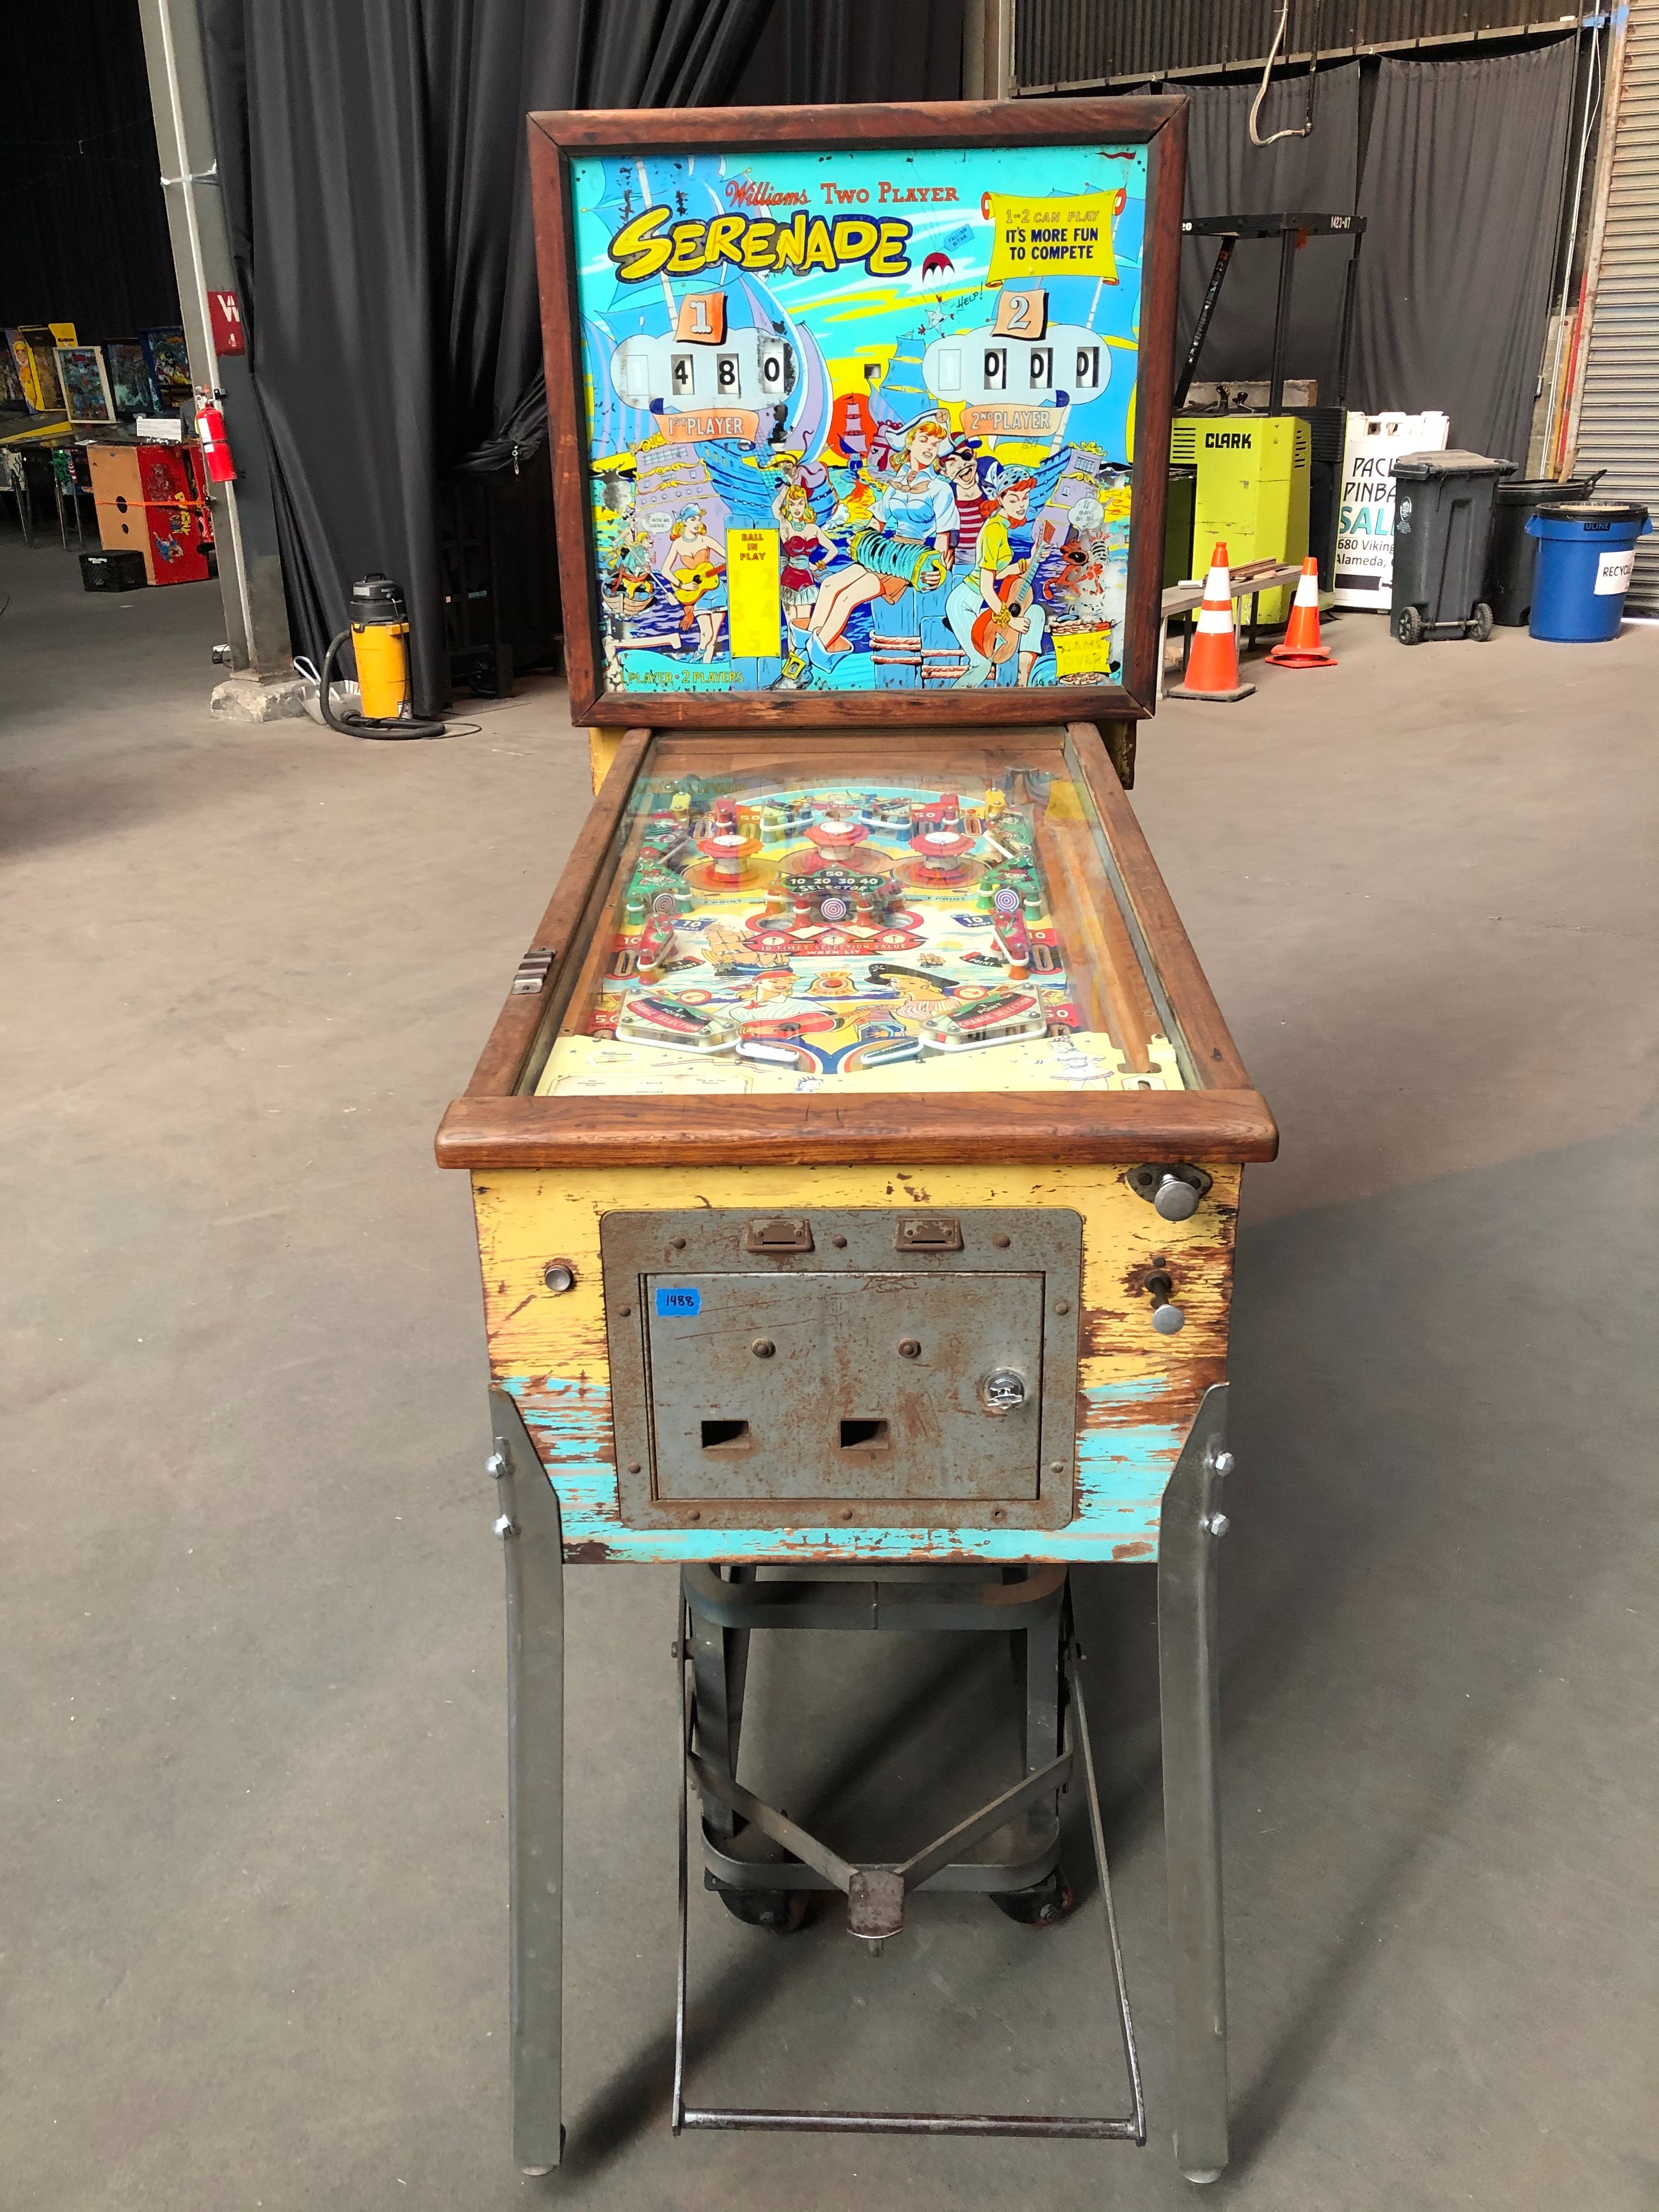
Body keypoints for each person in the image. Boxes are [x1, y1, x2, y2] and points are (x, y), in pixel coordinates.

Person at [783, 413, 957, 684]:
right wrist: (863, 546)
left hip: (910, 561)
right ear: (910, 442)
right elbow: (877, 522)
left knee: (846, 598)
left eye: (935, 444)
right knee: (829, 585)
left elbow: (944, 537)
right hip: (883, 552)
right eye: (924, 440)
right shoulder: (896, 484)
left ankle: (801, 668)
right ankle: (804, 660)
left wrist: (936, 570)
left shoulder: (940, 488)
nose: (929, 448)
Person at [945, 460, 1049, 688]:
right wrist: (1011, 620)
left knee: (1036, 613)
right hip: (966, 602)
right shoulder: (994, 530)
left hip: (985, 603)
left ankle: (1022, 684)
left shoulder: (1003, 526)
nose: (1021, 505)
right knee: (981, 664)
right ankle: (951, 704)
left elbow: (999, 573)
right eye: (1013, 500)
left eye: (1025, 498)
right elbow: (986, 587)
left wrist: (1029, 561)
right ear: (1000, 499)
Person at [772, 479, 837, 659]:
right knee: (791, 624)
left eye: (800, 503)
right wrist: (787, 484)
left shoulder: (813, 529)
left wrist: (819, 564)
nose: (797, 508)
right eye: (792, 504)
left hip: (807, 580)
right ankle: (792, 661)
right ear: (788, 506)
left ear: (805, 505)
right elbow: (775, 508)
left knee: (804, 626)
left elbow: (833, 550)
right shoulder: (786, 527)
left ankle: (802, 661)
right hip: (789, 580)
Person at [664, 505, 727, 662]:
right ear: (684, 522)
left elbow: (729, 555)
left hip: (717, 590)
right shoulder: (678, 544)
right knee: (706, 635)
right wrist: (682, 585)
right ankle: (697, 659)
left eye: (699, 519)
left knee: (713, 638)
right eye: (693, 519)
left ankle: (706, 666)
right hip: (698, 595)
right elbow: (665, 571)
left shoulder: (706, 540)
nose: (697, 523)